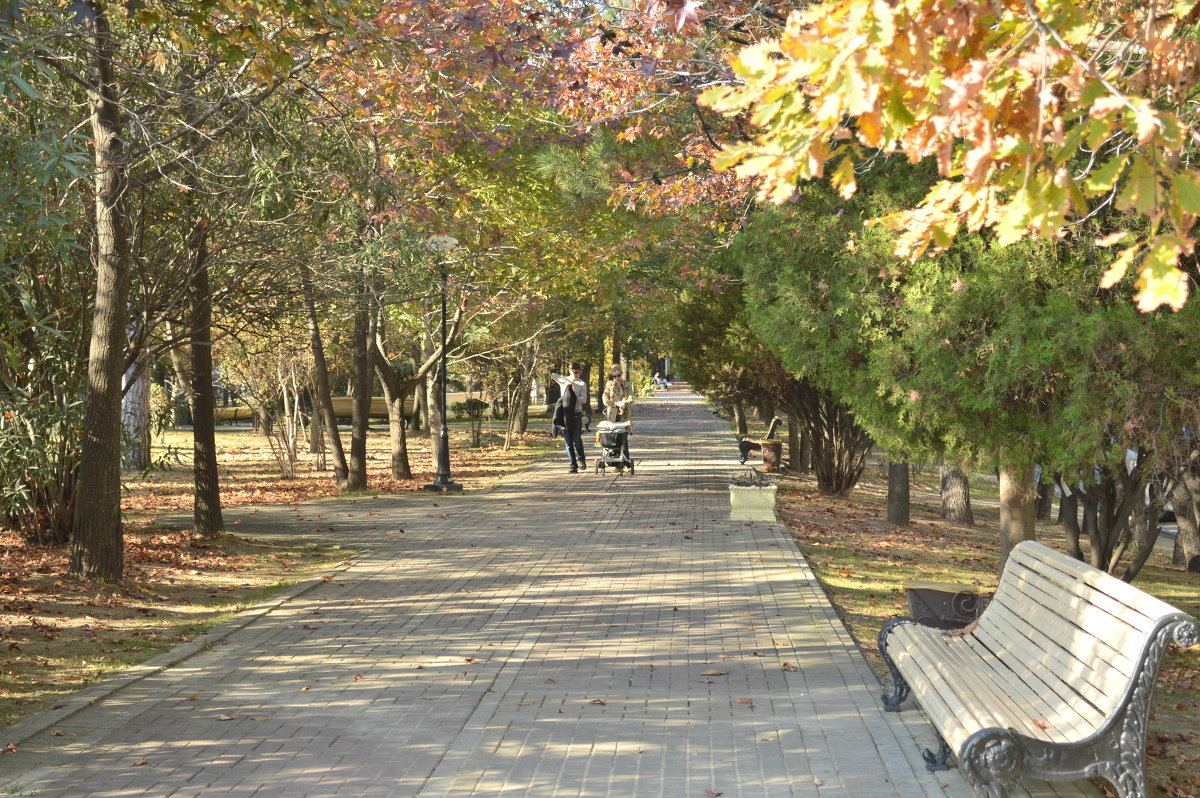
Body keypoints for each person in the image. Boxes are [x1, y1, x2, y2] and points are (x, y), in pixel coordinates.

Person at [550, 363, 588, 473]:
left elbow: (584, 399)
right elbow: (553, 375)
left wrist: (573, 397)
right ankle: (573, 464)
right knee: (568, 441)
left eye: (579, 372)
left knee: (576, 439)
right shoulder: (564, 381)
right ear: (570, 370)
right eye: (575, 372)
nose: (577, 374)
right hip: (565, 415)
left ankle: (581, 459)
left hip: (576, 414)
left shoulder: (581, 383)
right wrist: (566, 380)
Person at [602, 364, 633, 458]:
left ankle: (626, 461)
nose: (617, 378)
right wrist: (616, 404)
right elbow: (605, 399)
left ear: (621, 374)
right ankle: (614, 461)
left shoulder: (627, 384)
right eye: (614, 376)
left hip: (624, 414)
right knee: (612, 438)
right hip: (612, 415)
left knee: (623, 438)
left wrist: (624, 403)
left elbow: (631, 398)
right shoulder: (609, 385)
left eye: (618, 375)